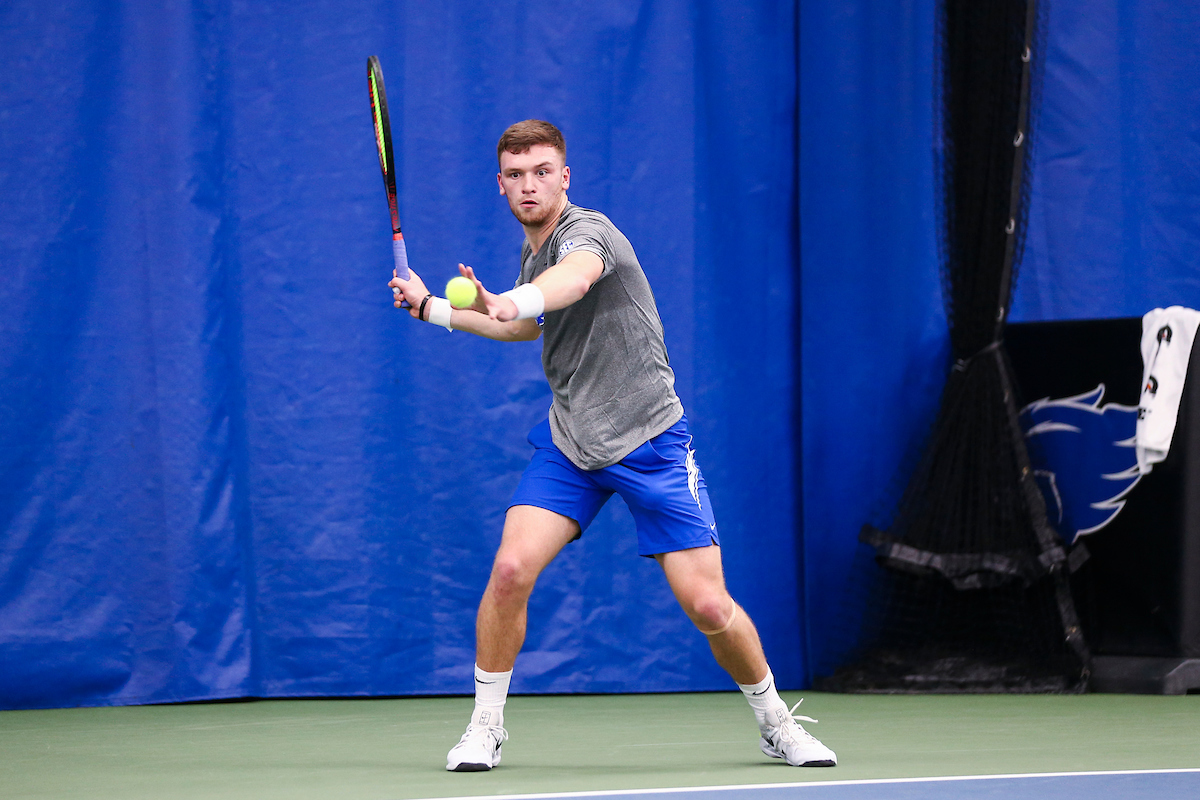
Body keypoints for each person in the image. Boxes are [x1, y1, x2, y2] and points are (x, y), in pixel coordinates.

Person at [388, 120, 836, 772]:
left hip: (651, 440)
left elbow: (568, 284)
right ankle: (486, 726)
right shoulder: (532, 252)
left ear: (564, 176)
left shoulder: (589, 234)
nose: (529, 184)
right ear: (501, 185)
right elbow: (532, 326)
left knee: (710, 604)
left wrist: (511, 301)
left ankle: (775, 722)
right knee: (511, 570)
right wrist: (436, 308)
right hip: (572, 444)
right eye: (516, 175)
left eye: (542, 171)